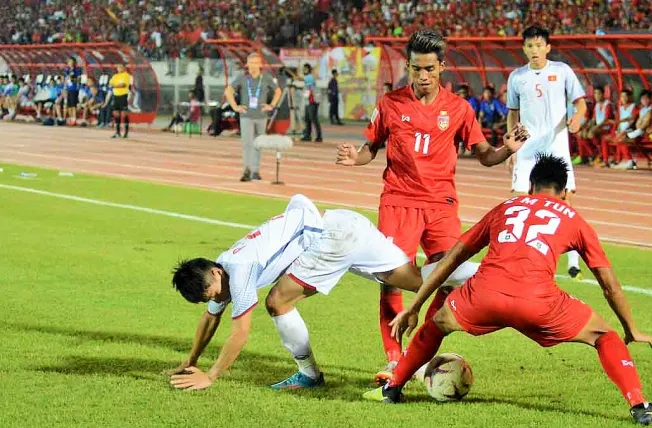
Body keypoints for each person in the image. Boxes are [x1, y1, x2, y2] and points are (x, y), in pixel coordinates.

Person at [364, 154, 652, 427]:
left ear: (530, 187)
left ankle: (392, 389)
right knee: (605, 336)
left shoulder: (506, 207)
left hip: (483, 296)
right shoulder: (573, 218)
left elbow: (453, 258)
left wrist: (416, 305)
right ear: (562, 192)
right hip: (539, 303)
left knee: (436, 326)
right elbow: (609, 284)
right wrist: (631, 328)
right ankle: (639, 406)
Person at [335, 29, 528, 385]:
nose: (423, 77)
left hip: (441, 205)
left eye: (429, 69)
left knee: (450, 278)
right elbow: (371, 148)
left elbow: (484, 155)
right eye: (416, 69)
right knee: (391, 280)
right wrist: (355, 159)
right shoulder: (390, 104)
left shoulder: (458, 109)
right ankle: (394, 359)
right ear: (408, 66)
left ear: (442, 67)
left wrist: (507, 151)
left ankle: (417, 352)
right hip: (398, 201)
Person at [168, 194, 479, 391]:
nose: (218, 300)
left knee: (277, 302)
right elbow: (210, 319)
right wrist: (190, 360)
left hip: (330, 239)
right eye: (210, 299)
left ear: (216, 273)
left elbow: (240, 334)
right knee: (415, 280)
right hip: (344, 222)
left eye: (213, 293)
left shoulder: (241, 268)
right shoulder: (222, 268)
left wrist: (211, 375)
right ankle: (487, 273)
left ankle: (309, 375)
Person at [506, 25, 587, 280]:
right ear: (524, 48)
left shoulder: (562, 71)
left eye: (539, 45)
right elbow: (512, 113)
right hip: (528, 147)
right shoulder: (517, 77)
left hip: (556, 145)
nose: (535, 50)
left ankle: (573, 260)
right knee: (519, 203)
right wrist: (512, 147)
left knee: (564, 201)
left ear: (548, 47)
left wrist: (578, 119)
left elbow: (580, 104)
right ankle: (517, 259)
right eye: (530, 46)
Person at [225, 52, 282, 181]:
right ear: (247, 64)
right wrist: (235, 106)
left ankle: (256, 171)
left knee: (258, 144)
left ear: (260, 64)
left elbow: (278, 91)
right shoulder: (242, 77)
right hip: (246, 116)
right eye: (251, 63)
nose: (254, 66)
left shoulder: (266, 77)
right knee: (247, 144)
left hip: (261, 116)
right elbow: (228, 90)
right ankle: (247, 170)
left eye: (256, 63)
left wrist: (271, 105)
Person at [108, 63, 132, 138]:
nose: (119, 68)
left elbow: (124, 85)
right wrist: (117, 85)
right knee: (116, 114)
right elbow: (110, 84)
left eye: (120, 67)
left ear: (124, 68)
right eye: (118, 67)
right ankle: (117, 132)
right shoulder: (115, 76)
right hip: (115, 96)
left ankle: (126, 132)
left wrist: (115, 85)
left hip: (123, 96)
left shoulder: (126, 75)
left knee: (124, 114)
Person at [301, 63, 322, 142]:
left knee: (314, 119)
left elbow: (301, 79)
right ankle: (307, 135)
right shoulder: (308, 77)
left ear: (309, 70)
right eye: (303, 69)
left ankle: (319, 136)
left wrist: (293, 75)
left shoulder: (309, 77)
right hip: (308, 101)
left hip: (313, 101)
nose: (304, 71)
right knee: (307, 119)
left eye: (305, 69)